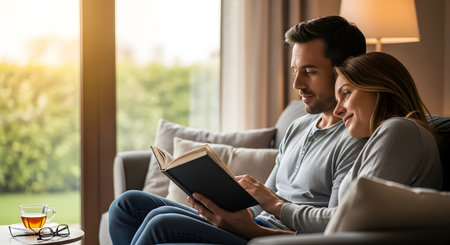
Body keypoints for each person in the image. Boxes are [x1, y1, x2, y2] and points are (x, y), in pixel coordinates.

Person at [108, 15, 367, 245]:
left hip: (270, 238)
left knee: (160, 223)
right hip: (254, 225)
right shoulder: (299, 127)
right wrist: (228, 212)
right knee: (127, 204)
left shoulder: (354, 139)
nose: (297, 83)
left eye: (309, 72)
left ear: (347, 67)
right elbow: (267, 198)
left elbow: (335, 231)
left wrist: (249, 229)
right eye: (295, 71)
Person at [332, 52, 442, 194]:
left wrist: (294, 212)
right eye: (337, 100)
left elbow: (357, 212)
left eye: (346, 93)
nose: (337, 111)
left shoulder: (401, 130)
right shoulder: (384, 138)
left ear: (379, 86)